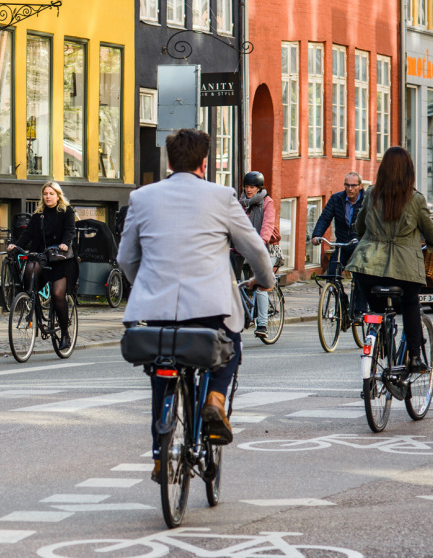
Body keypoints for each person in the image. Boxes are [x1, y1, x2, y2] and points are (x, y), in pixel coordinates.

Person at [116, 128, 275, 481]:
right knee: (230, 346)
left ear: (169, 161)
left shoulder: (142, 198)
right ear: (204, 163)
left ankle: (160, 456)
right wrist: (266, 279)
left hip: (155, 310)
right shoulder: (222, 197)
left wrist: (144, 285)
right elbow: (254, 249)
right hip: (210, 307)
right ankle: (215, 399)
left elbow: (126, 258)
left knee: (162, 367)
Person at [345, 146, 433, 374]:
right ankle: (415, 358)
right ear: (408, 171)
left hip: (367, 266)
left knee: (377, 310)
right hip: (404, 270)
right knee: (410, 304)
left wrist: (371, 239)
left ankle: (378, 346)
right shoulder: (415, 199)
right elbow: (430, 234)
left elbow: (359, 227)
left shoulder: (371, 194)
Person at [7, 181, 78, 350]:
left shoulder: (66, 212)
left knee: (57, 294)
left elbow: (70, 230)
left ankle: (65, 335)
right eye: (45, 194)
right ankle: (32, 300)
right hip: (42, 256)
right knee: (29, 273)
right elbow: (28, 234)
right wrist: (16, 246)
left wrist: (65, 243)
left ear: (58, 196)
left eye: (51, 194)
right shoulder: (39, 214)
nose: (48, 197)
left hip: (61, 259)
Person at [312, 171, 368, 319]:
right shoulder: (337, 198)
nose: (349, 189)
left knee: (360, 276)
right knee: (332, 274)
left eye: (353, 186)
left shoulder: (367, 200)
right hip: (342, 243)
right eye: (347, 185)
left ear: (360, 186)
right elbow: (325, 218)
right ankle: (343, 301)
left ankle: (359, 310)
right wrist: (317, 235)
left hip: (359, 244)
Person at [238, 171, 276, 338]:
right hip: (244, 248)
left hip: (262, 248)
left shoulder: (267, 203)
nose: (248, 190)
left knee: (261, 285)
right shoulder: (241, 203)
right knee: (236, 281)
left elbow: (267, 224)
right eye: (246, 186)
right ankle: (242, 315)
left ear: (259, 188)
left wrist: (261, 242)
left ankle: (262, 325)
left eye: (252, 187)